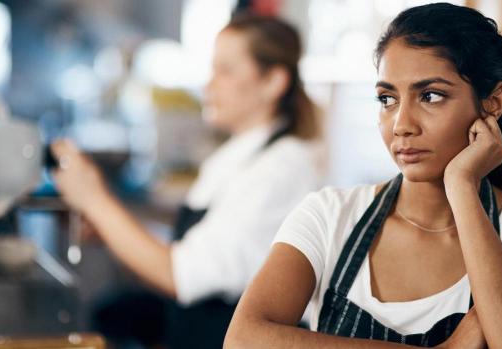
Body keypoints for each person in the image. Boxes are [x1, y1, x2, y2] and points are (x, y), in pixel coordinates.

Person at [225, 3, 502, 348]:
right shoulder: (329, 215)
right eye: (387, 99)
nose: (402, 125)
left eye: (430, 95)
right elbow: (243, 340)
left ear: (493, 102)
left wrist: (462, 187)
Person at [51, 14, 323, 349]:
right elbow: (195, 252)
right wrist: (111, 232)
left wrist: (95, 199)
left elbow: (181, 276)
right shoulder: (239, 155)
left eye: (225, 70)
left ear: (273, 82)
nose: (208, 85)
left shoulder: (282, 169)